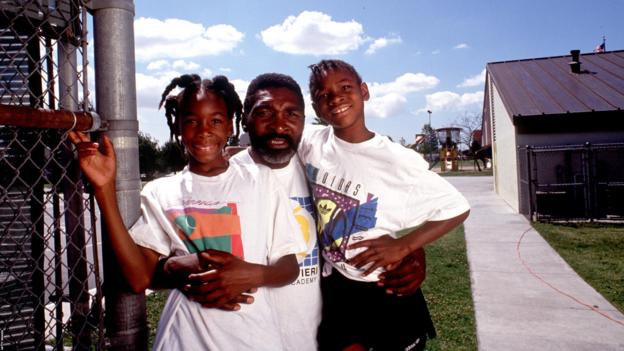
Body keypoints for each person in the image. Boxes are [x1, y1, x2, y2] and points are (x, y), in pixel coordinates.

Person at [164, 72, 430, 350]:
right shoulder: (225, 178)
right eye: (264, 112)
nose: (279, 125)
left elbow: (379, 217)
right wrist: (174, 266)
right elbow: (175, 255)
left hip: (323, 331)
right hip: (253, 334)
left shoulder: (322, 166)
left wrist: (412, 251)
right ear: (244, 119)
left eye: (292, 114)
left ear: (304, 121)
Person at [69, 74, 306, 350]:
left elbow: (289, 267)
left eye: (215, 121)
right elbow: (138, 278)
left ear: (230, 125)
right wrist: (104, 190)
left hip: (255, 338)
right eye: (192, 121)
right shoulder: (161, 192)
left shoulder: (263, 181)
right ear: (178, 125)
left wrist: (251, 274)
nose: (204, 130)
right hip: (183, 339)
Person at [300, 59, 471, 351]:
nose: (335, 97)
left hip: (384, 285)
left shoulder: (395, 159)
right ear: (316, 108)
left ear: (364, 91)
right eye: (323, 94)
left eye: (344, 87)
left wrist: (404, 247)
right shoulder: (311, 143)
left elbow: (456, 206)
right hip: (338, 283)